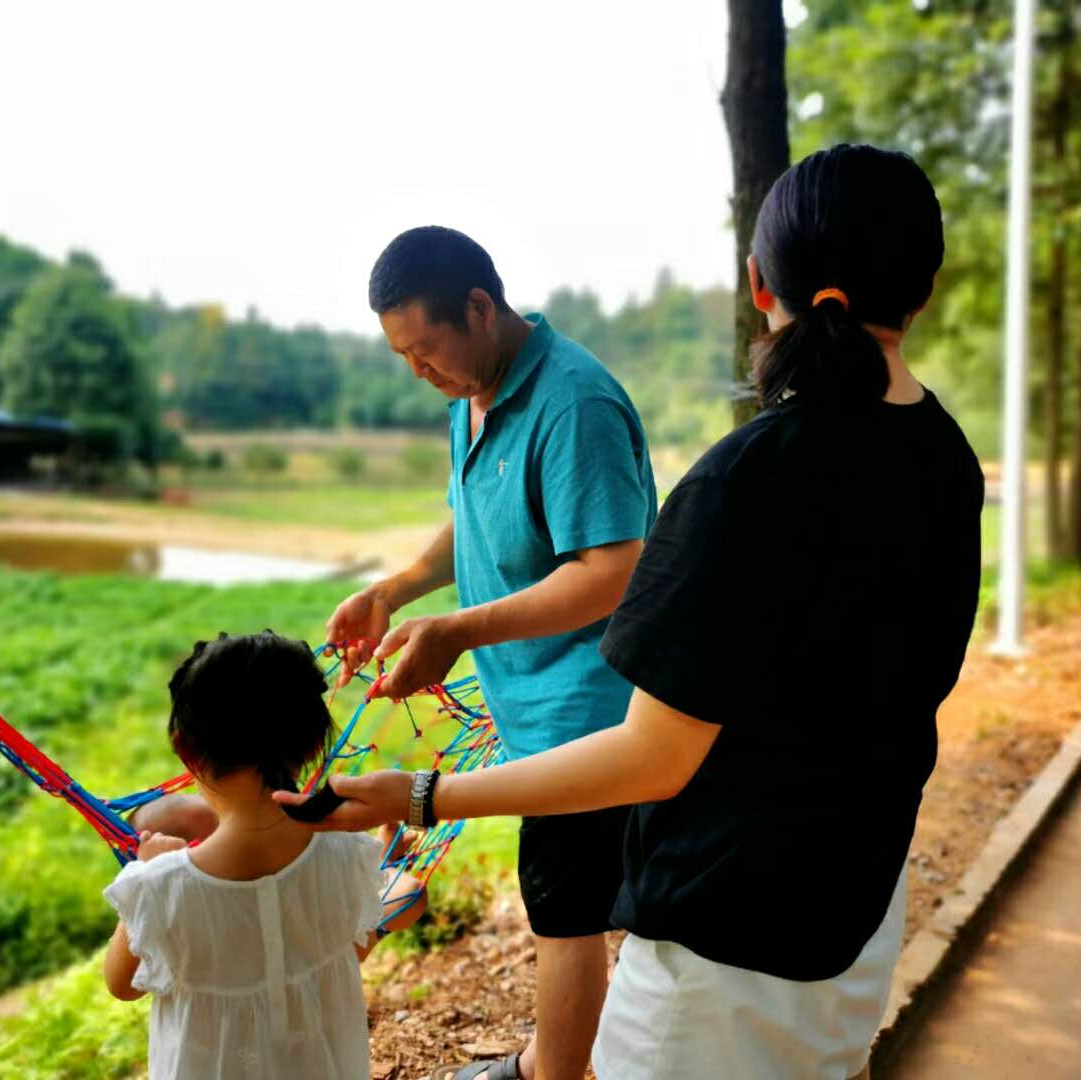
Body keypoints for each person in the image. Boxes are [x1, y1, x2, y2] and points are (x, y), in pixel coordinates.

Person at [279, 145, 984, 1080]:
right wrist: (408, 590)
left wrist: (420, 795)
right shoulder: (947, 461)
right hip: (857, 906)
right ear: (924, 290)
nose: (419, 371)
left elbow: (655, 756)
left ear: (756, 282)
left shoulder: (742, 481)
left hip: (728, 943)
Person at [327, 225, 658, 1080]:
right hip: (529, 701)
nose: (418, 371)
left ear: (480, 308)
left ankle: (554, 1073)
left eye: (426, 349)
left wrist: (458, 632)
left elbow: (613, 573)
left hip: (588, 710)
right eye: (402, 356)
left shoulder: (573, 403)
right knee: (576, 901)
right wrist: (397, 591)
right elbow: (470, 514)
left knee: (564, 909)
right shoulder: (471, 396)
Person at [102, 631, 425, 1080]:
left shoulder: (160, 887)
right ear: (315, 745)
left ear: (187, 752)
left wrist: (146, 872)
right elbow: (358, 943)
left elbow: (120, 985)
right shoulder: (346, 857)